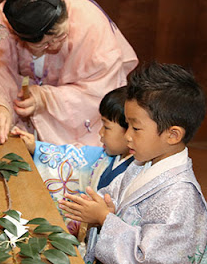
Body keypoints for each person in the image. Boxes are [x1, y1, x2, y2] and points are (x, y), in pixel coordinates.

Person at [60, 63, 207, 264]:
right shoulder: (142, 164)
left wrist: (105, 220)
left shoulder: (181, 197)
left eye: (136, 129)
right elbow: (111, 197)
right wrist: (103, 209)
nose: (127, 137)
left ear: (172, 135)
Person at [0, 0, 138, 147]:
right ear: (19, 37)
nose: (53, 46)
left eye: (60, 36)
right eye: (44, 44)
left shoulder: (91, 26)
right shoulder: (4, 20)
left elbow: (98, 91)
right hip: (26, 107)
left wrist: (45, 99)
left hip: (75, 119)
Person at [12, 86, 133, 237]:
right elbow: (69, 158)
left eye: (106, 127)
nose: (100, 133)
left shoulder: (136, 173)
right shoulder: (105, 157)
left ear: (131, 131)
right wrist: (36, 147)